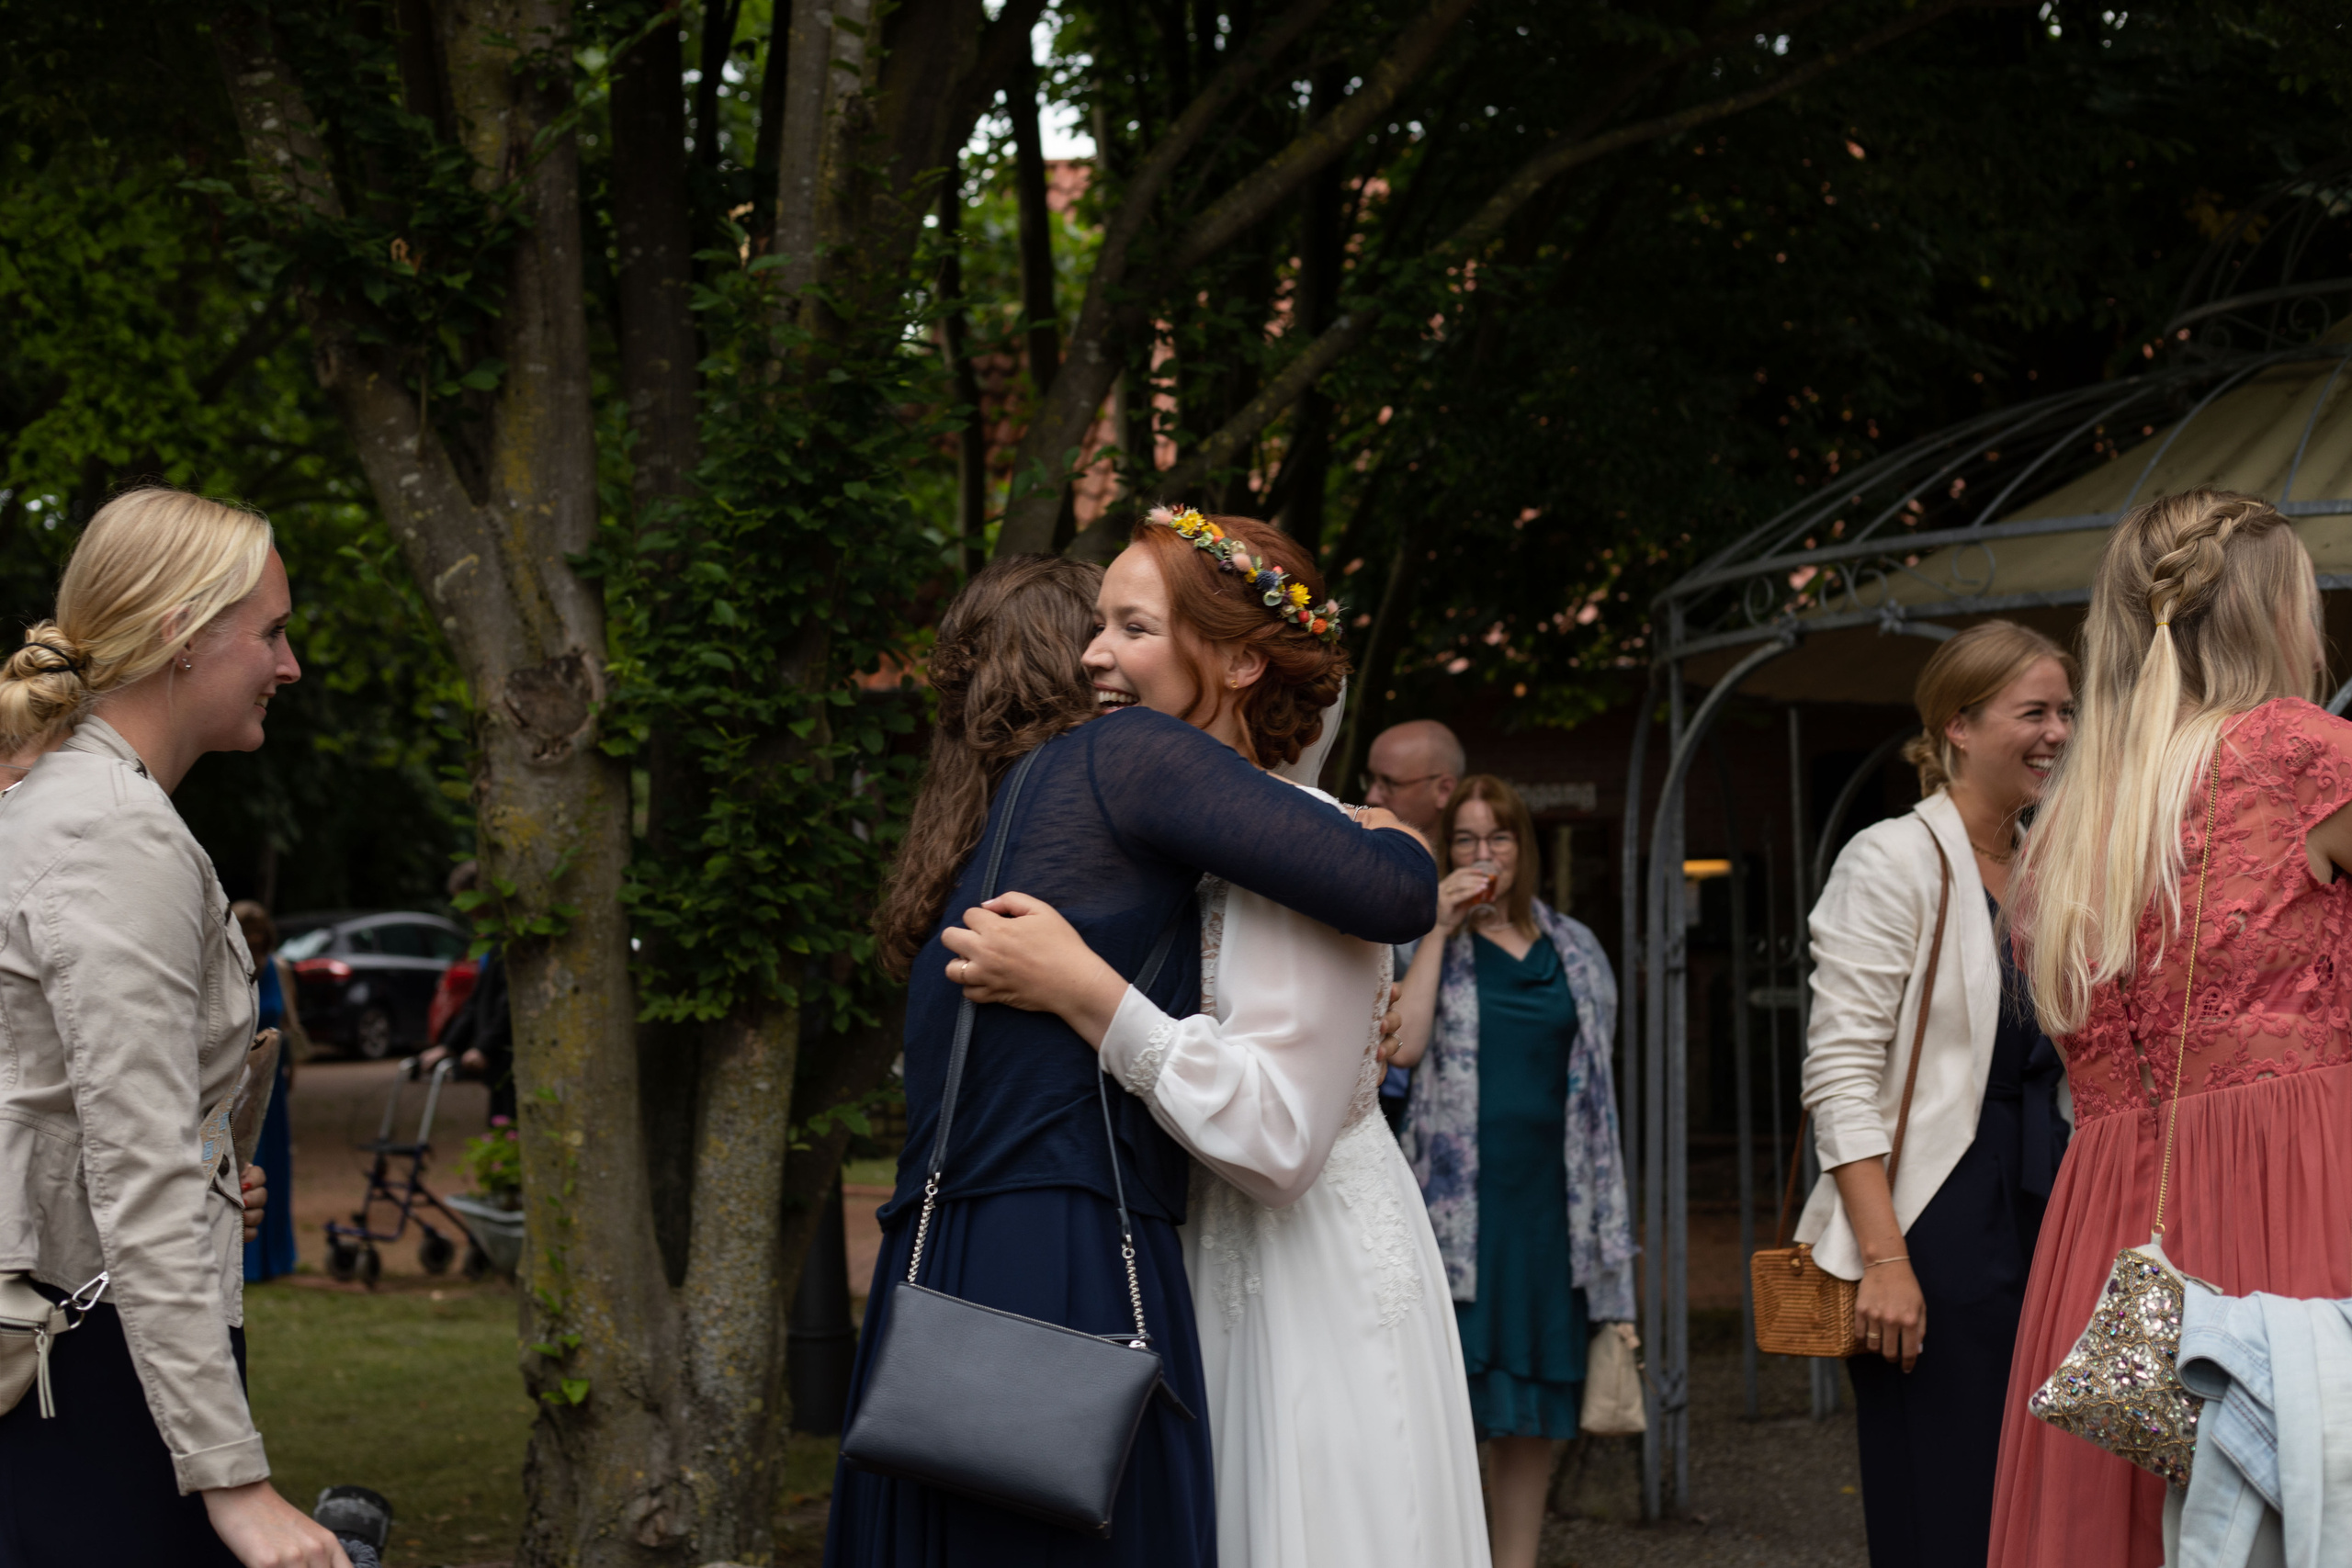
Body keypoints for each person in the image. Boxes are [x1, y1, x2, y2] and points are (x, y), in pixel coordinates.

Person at [827, 551, 1437, 1568]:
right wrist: (1403, 840)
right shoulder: (1125, 756)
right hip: (1068, 1240)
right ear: (1073, 659)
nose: (1109, 657)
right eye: (1100, 630)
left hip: (942, 1257)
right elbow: (1384, 893)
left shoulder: (1009, 815)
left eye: (1133, 628)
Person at [1990, 491, 2352, 1568]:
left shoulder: (2072, 813)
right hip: (2299, 1188)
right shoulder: (2302, 756)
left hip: (2110, 1228)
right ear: (2270, 613)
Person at [0, 487, 347, 1566]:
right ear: (181, 637)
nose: (289, 667)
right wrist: (234, 1481)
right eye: (273, 633)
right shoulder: (111, 835)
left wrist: (208, 1171)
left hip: (86, 1330)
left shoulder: (62, 805)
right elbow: (134, 1163)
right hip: (90, 1360)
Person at [1794, 620, 2077, 1568]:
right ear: (1957, 725)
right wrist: (1884, 1260)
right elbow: (1838, 1073)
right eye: (2032, 712)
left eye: (2066, 711)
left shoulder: (2050, 862)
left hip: (2048, 1200)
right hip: (1933, 1216)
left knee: (2038, 1498)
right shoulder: (1890, 859)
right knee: (1944, 1501)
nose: (2057, 733)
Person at [1389, 773, 1635, 1568]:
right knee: (1453, 1398)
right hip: (1458, 1210)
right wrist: (1434, 925)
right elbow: (1406, 1045)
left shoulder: (1575, 945)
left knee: (1529, 1409)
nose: (1482, 853)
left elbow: (1600, 1083)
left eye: (1498, 838)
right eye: (1465, 838)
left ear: (1524, 849)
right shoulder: (1431, 940)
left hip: (1552, 1209)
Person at [1364, 718, 1465, 1129]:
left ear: (1444, 789)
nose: (1372, 796)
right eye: (1371, 779)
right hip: (1388, 1099)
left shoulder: (1484, 890)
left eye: (1388, 783)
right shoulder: (1368, 874)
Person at [234, 900, 310, 1283]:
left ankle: (277, 1256)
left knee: (275, 1162)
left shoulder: (279, 969)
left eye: (259, 930)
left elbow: (289, 1022)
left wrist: (293, 1064)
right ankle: (246, 1259)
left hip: (273, 1077)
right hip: (239, 1077)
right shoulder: (229, 968)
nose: (254, 937)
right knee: (248, 1156)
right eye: (247, 930)